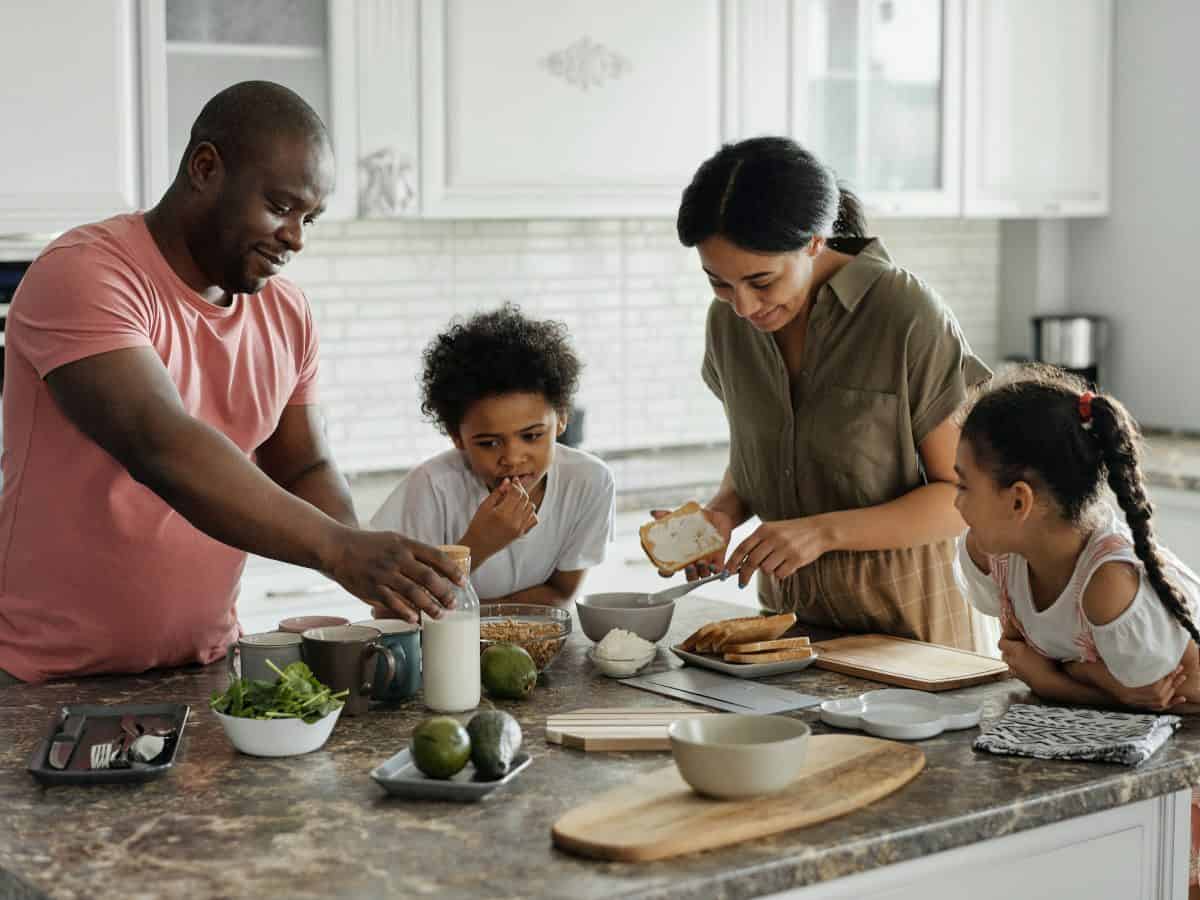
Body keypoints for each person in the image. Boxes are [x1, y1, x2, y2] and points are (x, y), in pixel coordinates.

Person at [0, 81, 460, 685]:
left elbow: (303, 468)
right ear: (205, 167)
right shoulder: (85, 273)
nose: (296, 237)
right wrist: (338, 550)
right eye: (279, 206)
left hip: (207, 666)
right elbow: (159, 445)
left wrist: (373, 559)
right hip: (42, 677)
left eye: (309, 218)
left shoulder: (286, 312)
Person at [668, 136, 991, 650]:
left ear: (816, 241)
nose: (745, 307)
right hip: (788, 635)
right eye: (720, 283)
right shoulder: (727, 325)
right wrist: (722, 515)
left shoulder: (904, 313)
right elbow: (768, 455)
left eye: (762, 281)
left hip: (914, 637)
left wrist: (821, 532)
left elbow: (964, 499)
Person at [953, 365, 1200, 711]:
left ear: (1018, 501)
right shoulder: (994, 553)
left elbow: (1177, 697)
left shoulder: (1108, 585)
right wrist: (1096, 681)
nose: (955, 502)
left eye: (964, 486)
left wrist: (1054, 679)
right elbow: (1019, 658)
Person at [371, 304, 614, 607]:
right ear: (456, 435)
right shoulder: (432, 488)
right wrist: (478, 545)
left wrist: (473, 615)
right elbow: (389, 610)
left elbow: (560, 594)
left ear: (562, 418)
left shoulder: (589, 481)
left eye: (532, 436)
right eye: (488, 443)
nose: (512, 458)